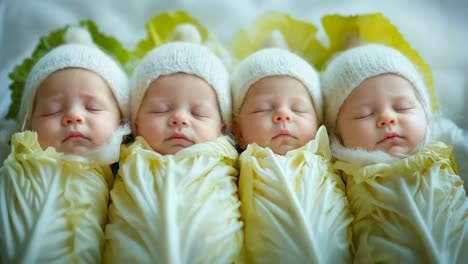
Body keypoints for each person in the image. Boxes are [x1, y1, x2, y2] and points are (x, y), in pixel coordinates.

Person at [103, 24, 243, 263]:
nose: (180, 118)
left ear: (222, 127)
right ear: (135, 124)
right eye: (160, 110)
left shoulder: (236, 162)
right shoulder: (118, 160)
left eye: (198, 113)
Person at [321, 43, 468, 263]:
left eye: (402, 107)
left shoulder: (444, 141)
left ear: (425, 113)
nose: (387, 118)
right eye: (365, 114)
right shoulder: (339, 171)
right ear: (337, 133)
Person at [0, 26, 130, 263]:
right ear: (28, 128)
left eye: (92, 107)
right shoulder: (12, 165)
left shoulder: (128, 176)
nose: (73, 116)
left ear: (121, 122)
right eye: (53, 110)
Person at [230, 31, 352, 263]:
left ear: (319, 122)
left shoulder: (337, 162)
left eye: (298, 109)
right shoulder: (234, 168)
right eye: (263, 108)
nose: (283, 115)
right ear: (238, 130)